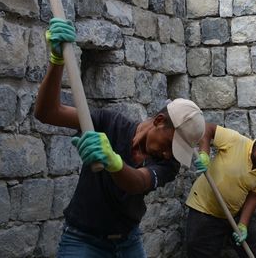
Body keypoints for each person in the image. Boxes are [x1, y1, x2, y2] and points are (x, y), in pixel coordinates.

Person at [34, 18, 205, 257]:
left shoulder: (170, 164)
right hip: (82, 241)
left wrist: (112, 162)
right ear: (158, 121)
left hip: (128, 243)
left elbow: (137, 183)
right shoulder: (109, 124)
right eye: (169, 144)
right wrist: (56, 62)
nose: (168, 153)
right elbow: (47, 112)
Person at [185, 123, 256, 258]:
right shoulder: (235, 141)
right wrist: (204, 153)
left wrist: (243, 225)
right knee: (201, 251)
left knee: (254, 239)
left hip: (233, 214)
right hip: (204, 209)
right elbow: (206, 128)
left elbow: (253, 196)